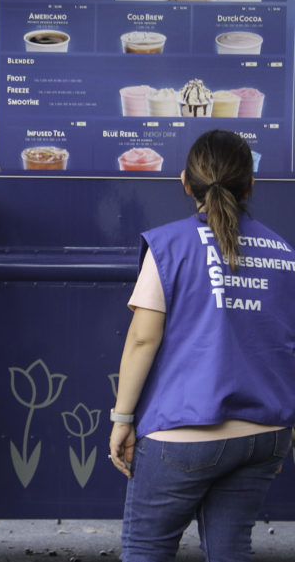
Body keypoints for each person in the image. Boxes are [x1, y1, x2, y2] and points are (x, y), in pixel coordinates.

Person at [108, 129, 295, 562]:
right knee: (231, 551)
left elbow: (142, 339)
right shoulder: (285, 254)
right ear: (250, 185)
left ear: (185, 183)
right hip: (264, 435)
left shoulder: (169, 246)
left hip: (182, 432)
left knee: (146, 550)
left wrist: (122, 419)